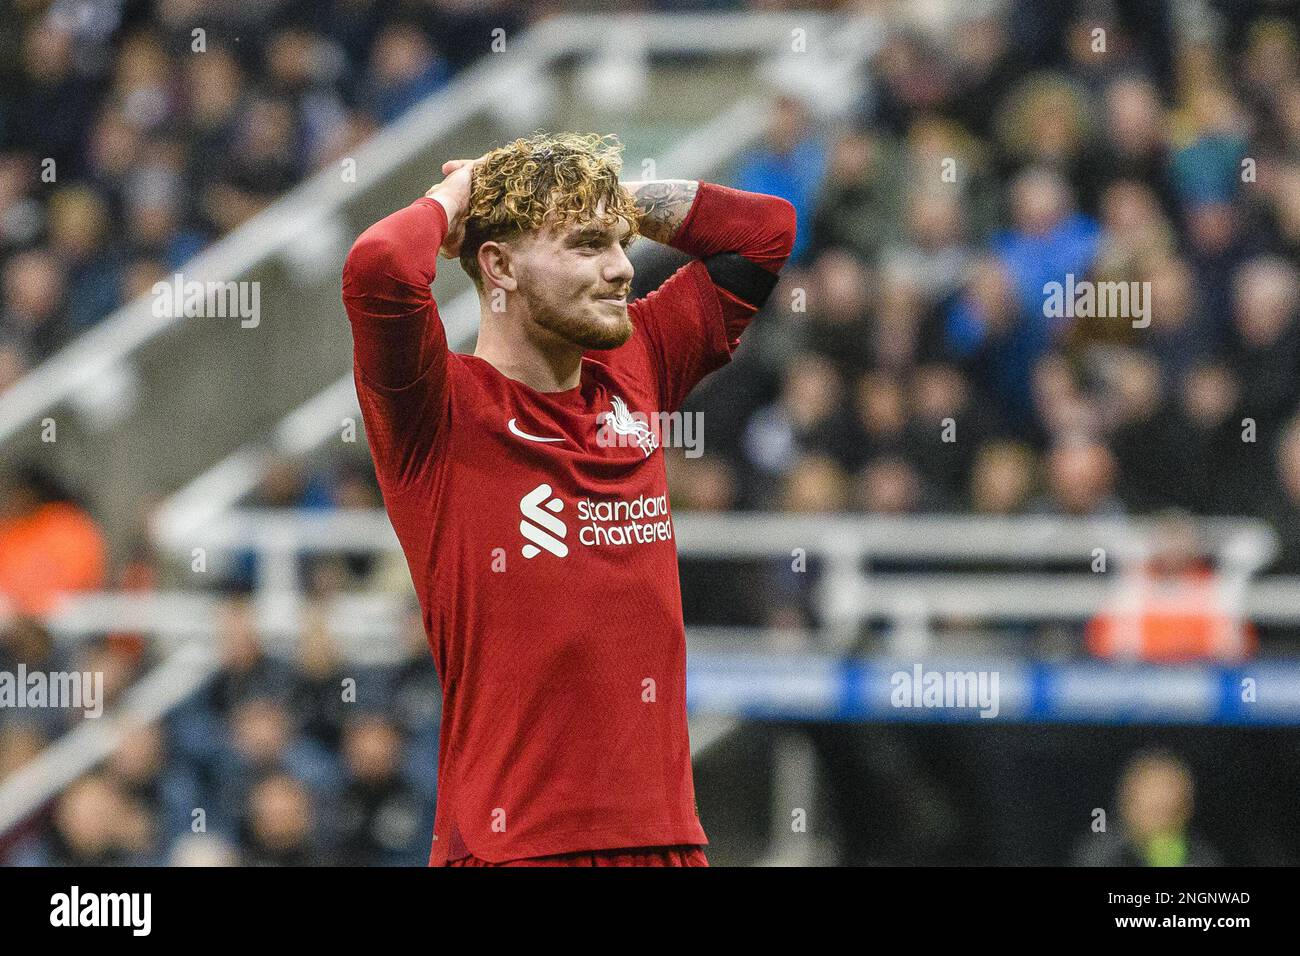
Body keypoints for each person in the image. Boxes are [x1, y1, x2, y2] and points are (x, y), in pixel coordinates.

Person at [341, 131, 795, 866]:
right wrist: (463, 192)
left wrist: (607, 199)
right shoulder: (438, 410)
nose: (622, 268)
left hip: (668, 841)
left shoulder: (636, 364)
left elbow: (767, 230)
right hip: (517, 846)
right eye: (587, 245)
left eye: (618, 242)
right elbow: (379, 267)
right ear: (499, 266)